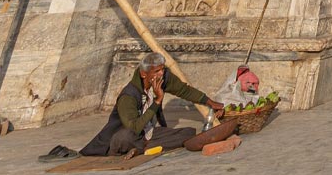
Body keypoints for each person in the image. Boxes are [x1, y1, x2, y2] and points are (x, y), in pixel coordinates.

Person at [75, 53, 225, 157]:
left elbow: (184, 90)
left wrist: (210, 102)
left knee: (188, 133)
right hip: (124, 137)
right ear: (144, 74)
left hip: (148, 135)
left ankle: (142, 149)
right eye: (157, 71)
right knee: (125, 137)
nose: (161, 74)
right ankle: (140, 148)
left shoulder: (162, 78)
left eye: (162, 70)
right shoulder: (128, 96)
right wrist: (158, 101)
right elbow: (134, 127)